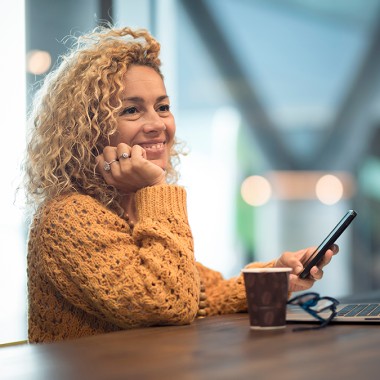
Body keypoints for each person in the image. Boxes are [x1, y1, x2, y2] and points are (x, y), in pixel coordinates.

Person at [23, 26, 338, 344]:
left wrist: (278, 275)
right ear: (88, 128)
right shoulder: (68, 217)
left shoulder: (130, 208)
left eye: (163, 107)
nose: (158, 124)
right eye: (132, 110)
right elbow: (168, 300)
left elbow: (202, 293)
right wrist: (156, 188)